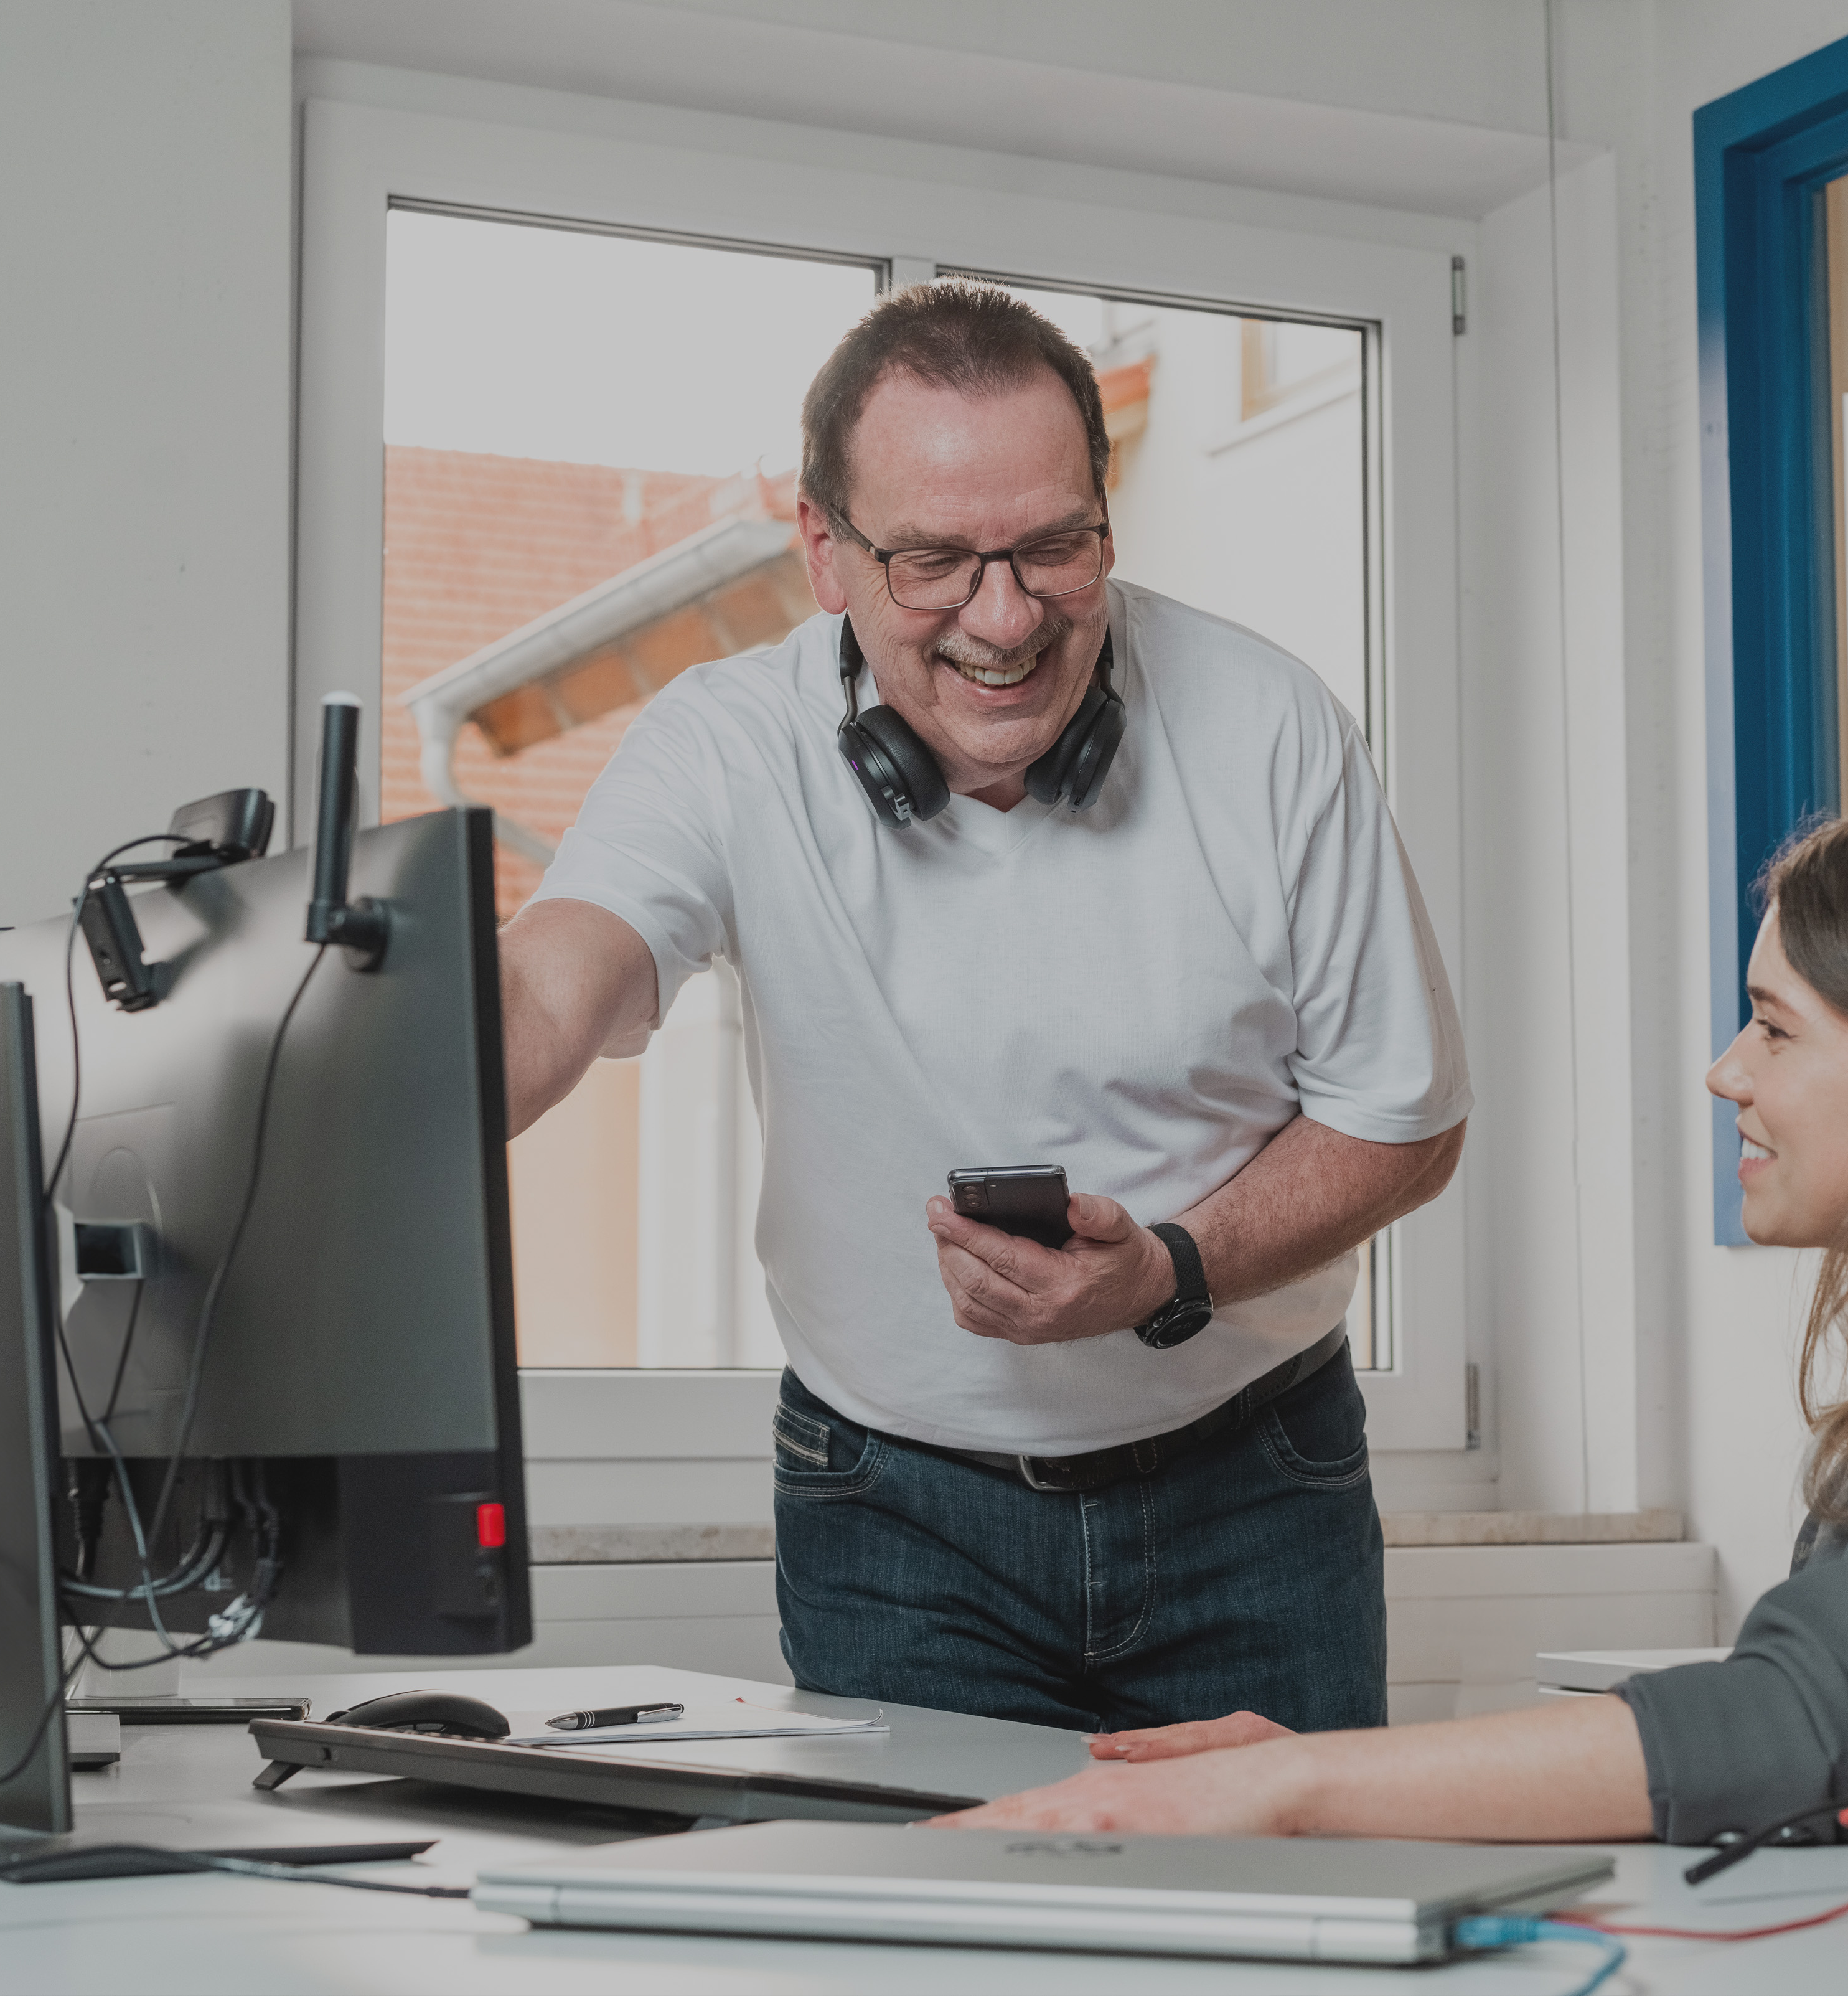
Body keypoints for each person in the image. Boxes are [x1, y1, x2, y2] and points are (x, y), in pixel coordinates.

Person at [943, 811, 1848, 1899]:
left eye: (1776, 1028)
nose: (1729, 1071)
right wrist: (1316, 1774)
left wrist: (1297, 1787)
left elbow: (1800, 1721)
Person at [497, 280, 1469, 1735]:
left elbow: (1403, 1121)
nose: (1004, 619)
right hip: (891, 1514)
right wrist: (395, 1080)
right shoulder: (724, 744)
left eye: (1051, 547)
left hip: (1255, 1487)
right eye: (935, 562)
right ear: (823, 552)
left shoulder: (1269, 728)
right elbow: (547, 985)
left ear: (1105, 520)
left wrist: (1169, 1271)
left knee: (1282, 1950)